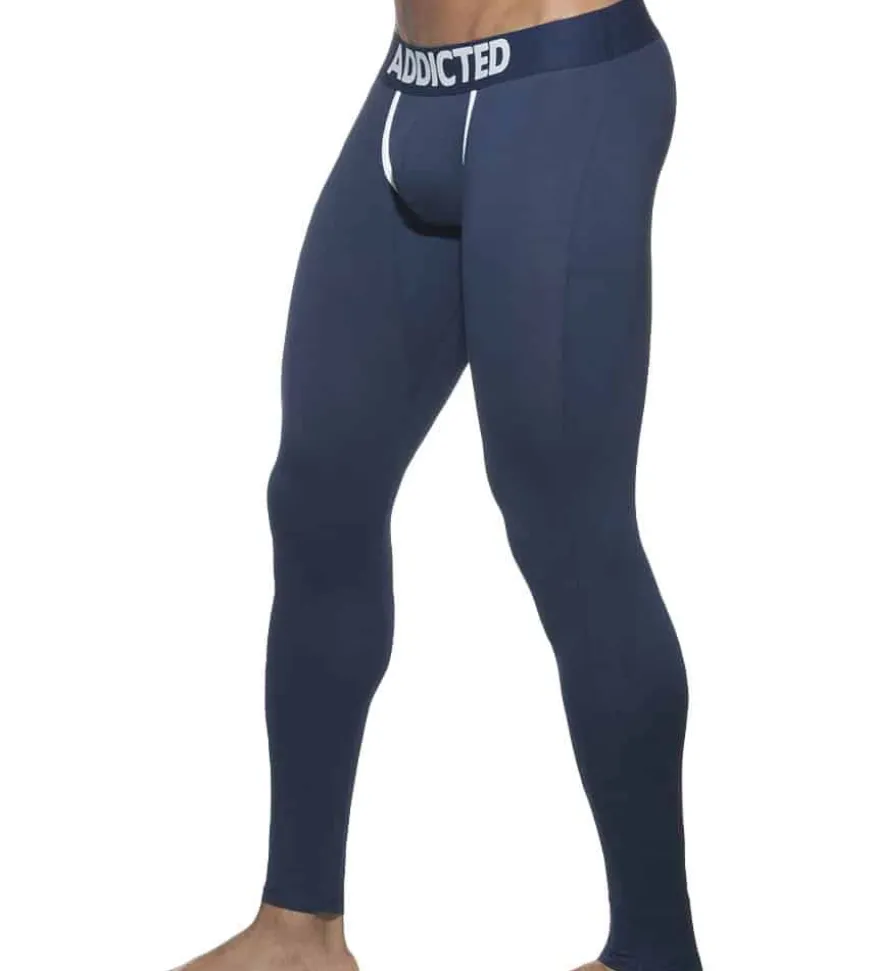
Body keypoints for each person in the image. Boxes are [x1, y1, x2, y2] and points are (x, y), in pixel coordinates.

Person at [177, 1, 701, 969]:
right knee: (321, 491)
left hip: (563, 90)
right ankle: (299, 931)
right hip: (409, 90)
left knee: (567, 526)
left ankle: (654, 952)